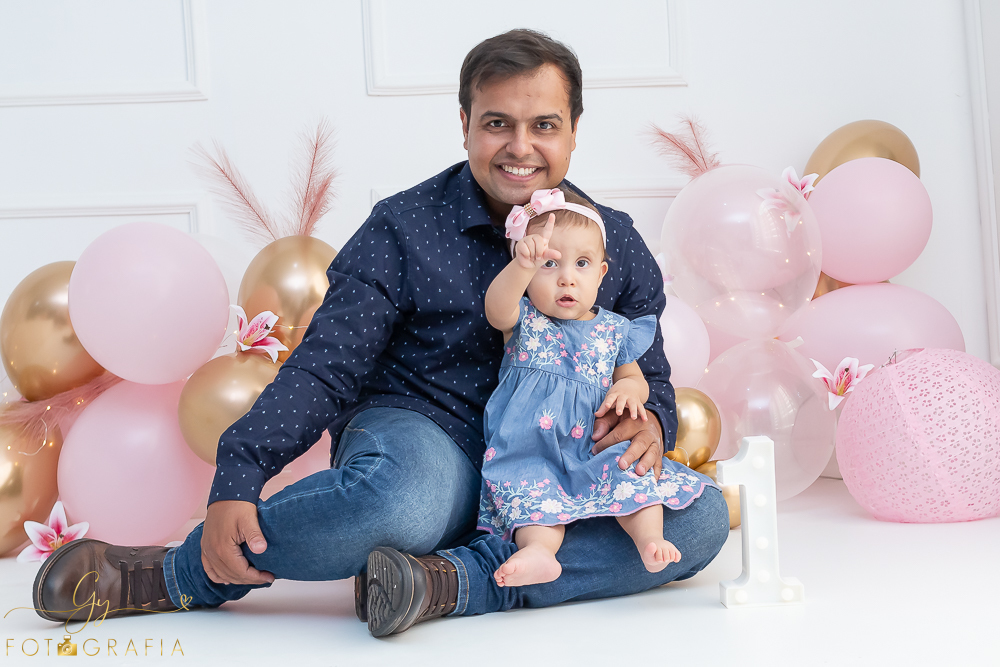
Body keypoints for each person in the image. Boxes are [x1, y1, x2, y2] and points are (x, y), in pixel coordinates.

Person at [31, 29, 729, 637]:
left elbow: (648, 370)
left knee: (695, 522)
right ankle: (182, 573)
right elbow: (323, 367)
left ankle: (446, 583)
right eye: (496, 124)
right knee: (410, 499)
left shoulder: (612, 243)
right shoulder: (402, 227)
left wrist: (650, 424)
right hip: (430, 432)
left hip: (557, 461)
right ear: (463, 124)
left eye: (544, 125)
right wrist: (237, 475)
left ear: (575, 128)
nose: (521, 148)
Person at [473, 191, 716, 591]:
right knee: (533, 498)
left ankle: (649, 538)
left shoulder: (613, 331)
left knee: (632, 473)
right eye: (549, 264)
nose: (567, 277)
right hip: (531, 450)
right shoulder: (525, 321)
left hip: (592, 446)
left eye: (581, 264)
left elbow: (636, 378)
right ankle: (539, 553)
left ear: (601, 274)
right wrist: (521, 265)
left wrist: (628, 389)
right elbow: (496, 307)